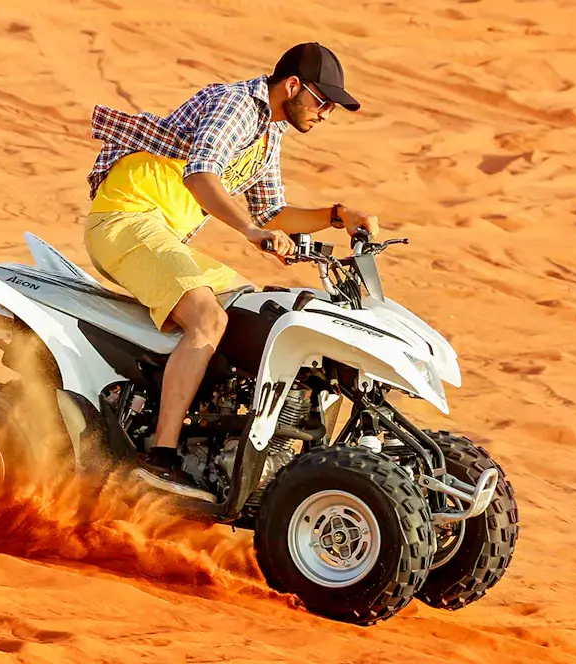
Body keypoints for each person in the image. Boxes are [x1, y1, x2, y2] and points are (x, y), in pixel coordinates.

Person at [82, 42, 381, 494]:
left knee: (253, 312)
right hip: (126, 219)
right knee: (208, 317)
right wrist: (248, 232)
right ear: (292, 86)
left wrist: (338, 216)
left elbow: (273, 214)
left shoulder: (268, 134)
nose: (325, 114)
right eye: (322, 102)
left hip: (158, 235)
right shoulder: (239, 107)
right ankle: (160, 460)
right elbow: (200, 175)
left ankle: (209, 440)